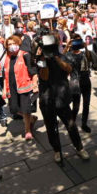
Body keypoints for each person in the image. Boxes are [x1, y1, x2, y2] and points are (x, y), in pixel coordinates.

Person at [37, 34, 89, 164]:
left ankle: (79, 147)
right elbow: (44, 77)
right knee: (51, 127)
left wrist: (56, 59)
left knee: (71, 125)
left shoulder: (62, 56)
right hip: (47, 98)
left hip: (62, 97)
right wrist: (44, 61)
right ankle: (56, 150)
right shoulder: (40, 60)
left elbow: (69, 69)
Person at [2, 36, 38, 142]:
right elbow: (5, 75)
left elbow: (33, 71)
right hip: (12, 88)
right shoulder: (7, 58)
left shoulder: (25, 55)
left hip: (24, 87)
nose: (11, 46)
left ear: (18, 43)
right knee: (14, 109)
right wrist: (4, 89)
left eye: (14, 43)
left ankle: (27, 131)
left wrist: (34, 84)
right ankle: (32, 119)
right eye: (9, 44)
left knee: (25, 110)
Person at [66, 34, 94, 133]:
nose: (77, 43)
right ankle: (72, 124)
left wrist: (85, 46)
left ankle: (84, 124)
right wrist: (67, 46)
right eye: (75, 41)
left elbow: (90, 57)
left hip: (86, 81)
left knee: (86, 104)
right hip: (75, 83)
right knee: (76, 106)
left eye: (79, 41)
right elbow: (62, 59)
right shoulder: (69, 55)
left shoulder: (84, 54)